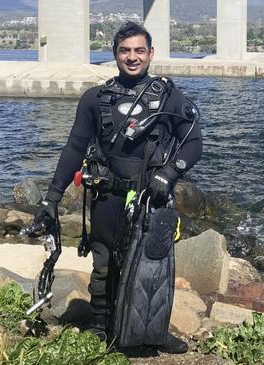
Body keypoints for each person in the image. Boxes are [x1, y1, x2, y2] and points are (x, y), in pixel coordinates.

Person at [34, 21, 202, 354]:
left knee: (154, 266)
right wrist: (51, 198)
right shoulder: (94, 99)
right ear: (114, 54)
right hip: (108, 197)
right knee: (104, 263)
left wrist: (169, 174)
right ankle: (100, 328)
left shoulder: (169, 96)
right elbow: (74, 149)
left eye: (140, 50)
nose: (132, 57)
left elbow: (193, 143)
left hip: (152, 199)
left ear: (151, 53)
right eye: (125, 50)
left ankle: (154, 332)